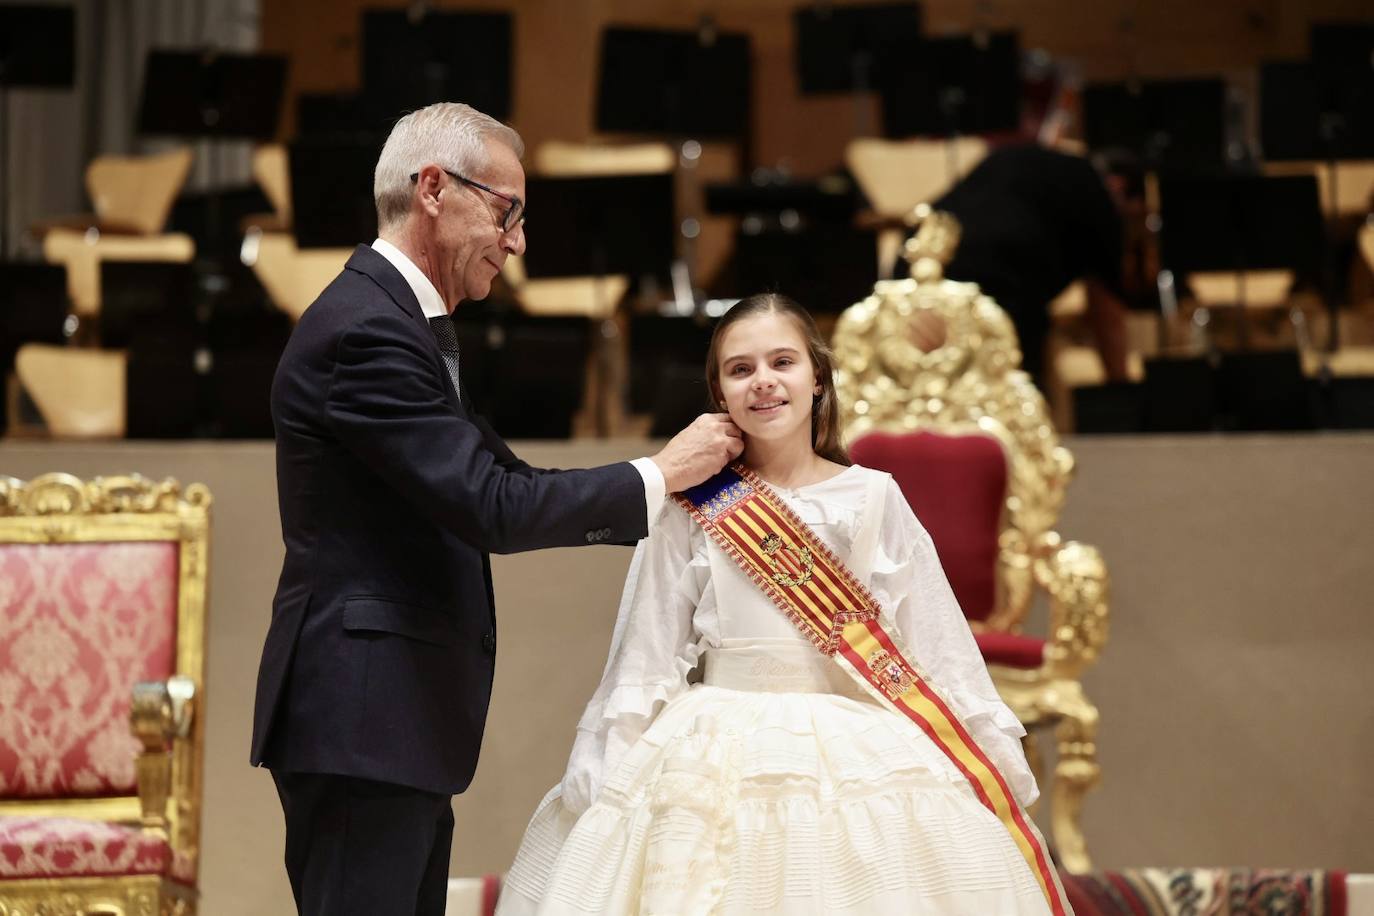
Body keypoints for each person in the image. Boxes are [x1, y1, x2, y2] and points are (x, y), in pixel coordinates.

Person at [248, 102, 742, 916]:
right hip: (361, 719)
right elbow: (494, 507)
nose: (517, 242)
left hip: (389, 724)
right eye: (507, 210)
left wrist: (662, 488)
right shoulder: (365, 330)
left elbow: (499, 477)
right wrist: (658, 473)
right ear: (434, 188)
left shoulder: (403, 321)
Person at [498, 293, 1070, 915]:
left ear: (817, 377)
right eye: (740, 369)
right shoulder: (692, 500)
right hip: (713, 742)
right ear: (719, 392)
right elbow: (646, 646)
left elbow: (936, 640)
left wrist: (988, 745)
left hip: (860, 743)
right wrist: (605, 750)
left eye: (782, 362)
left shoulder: (875, 495)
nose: (763, 382)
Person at [898, 142, 1142, 386]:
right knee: (1012, 391)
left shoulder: (1029, 157)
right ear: (1119, 185)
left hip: (917, 253)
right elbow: (1107, 313)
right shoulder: (1099, 197)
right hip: (1002, 281)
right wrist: (1120, 387)